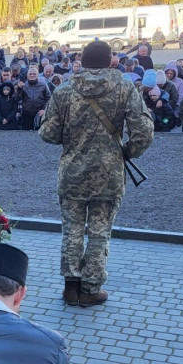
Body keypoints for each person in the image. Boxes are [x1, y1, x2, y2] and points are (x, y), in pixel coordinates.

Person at [39, 40, 153, 307]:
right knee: (100, 232)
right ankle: (90, 289)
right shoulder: (125, 87)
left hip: (72, 173)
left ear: (83, 61)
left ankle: (70, 287)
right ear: (110, 60)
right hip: (109, 173)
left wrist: (72, 138)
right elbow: (144, 132)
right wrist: (126, 151)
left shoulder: (64, 90)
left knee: (72, 231)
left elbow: (48, 133)